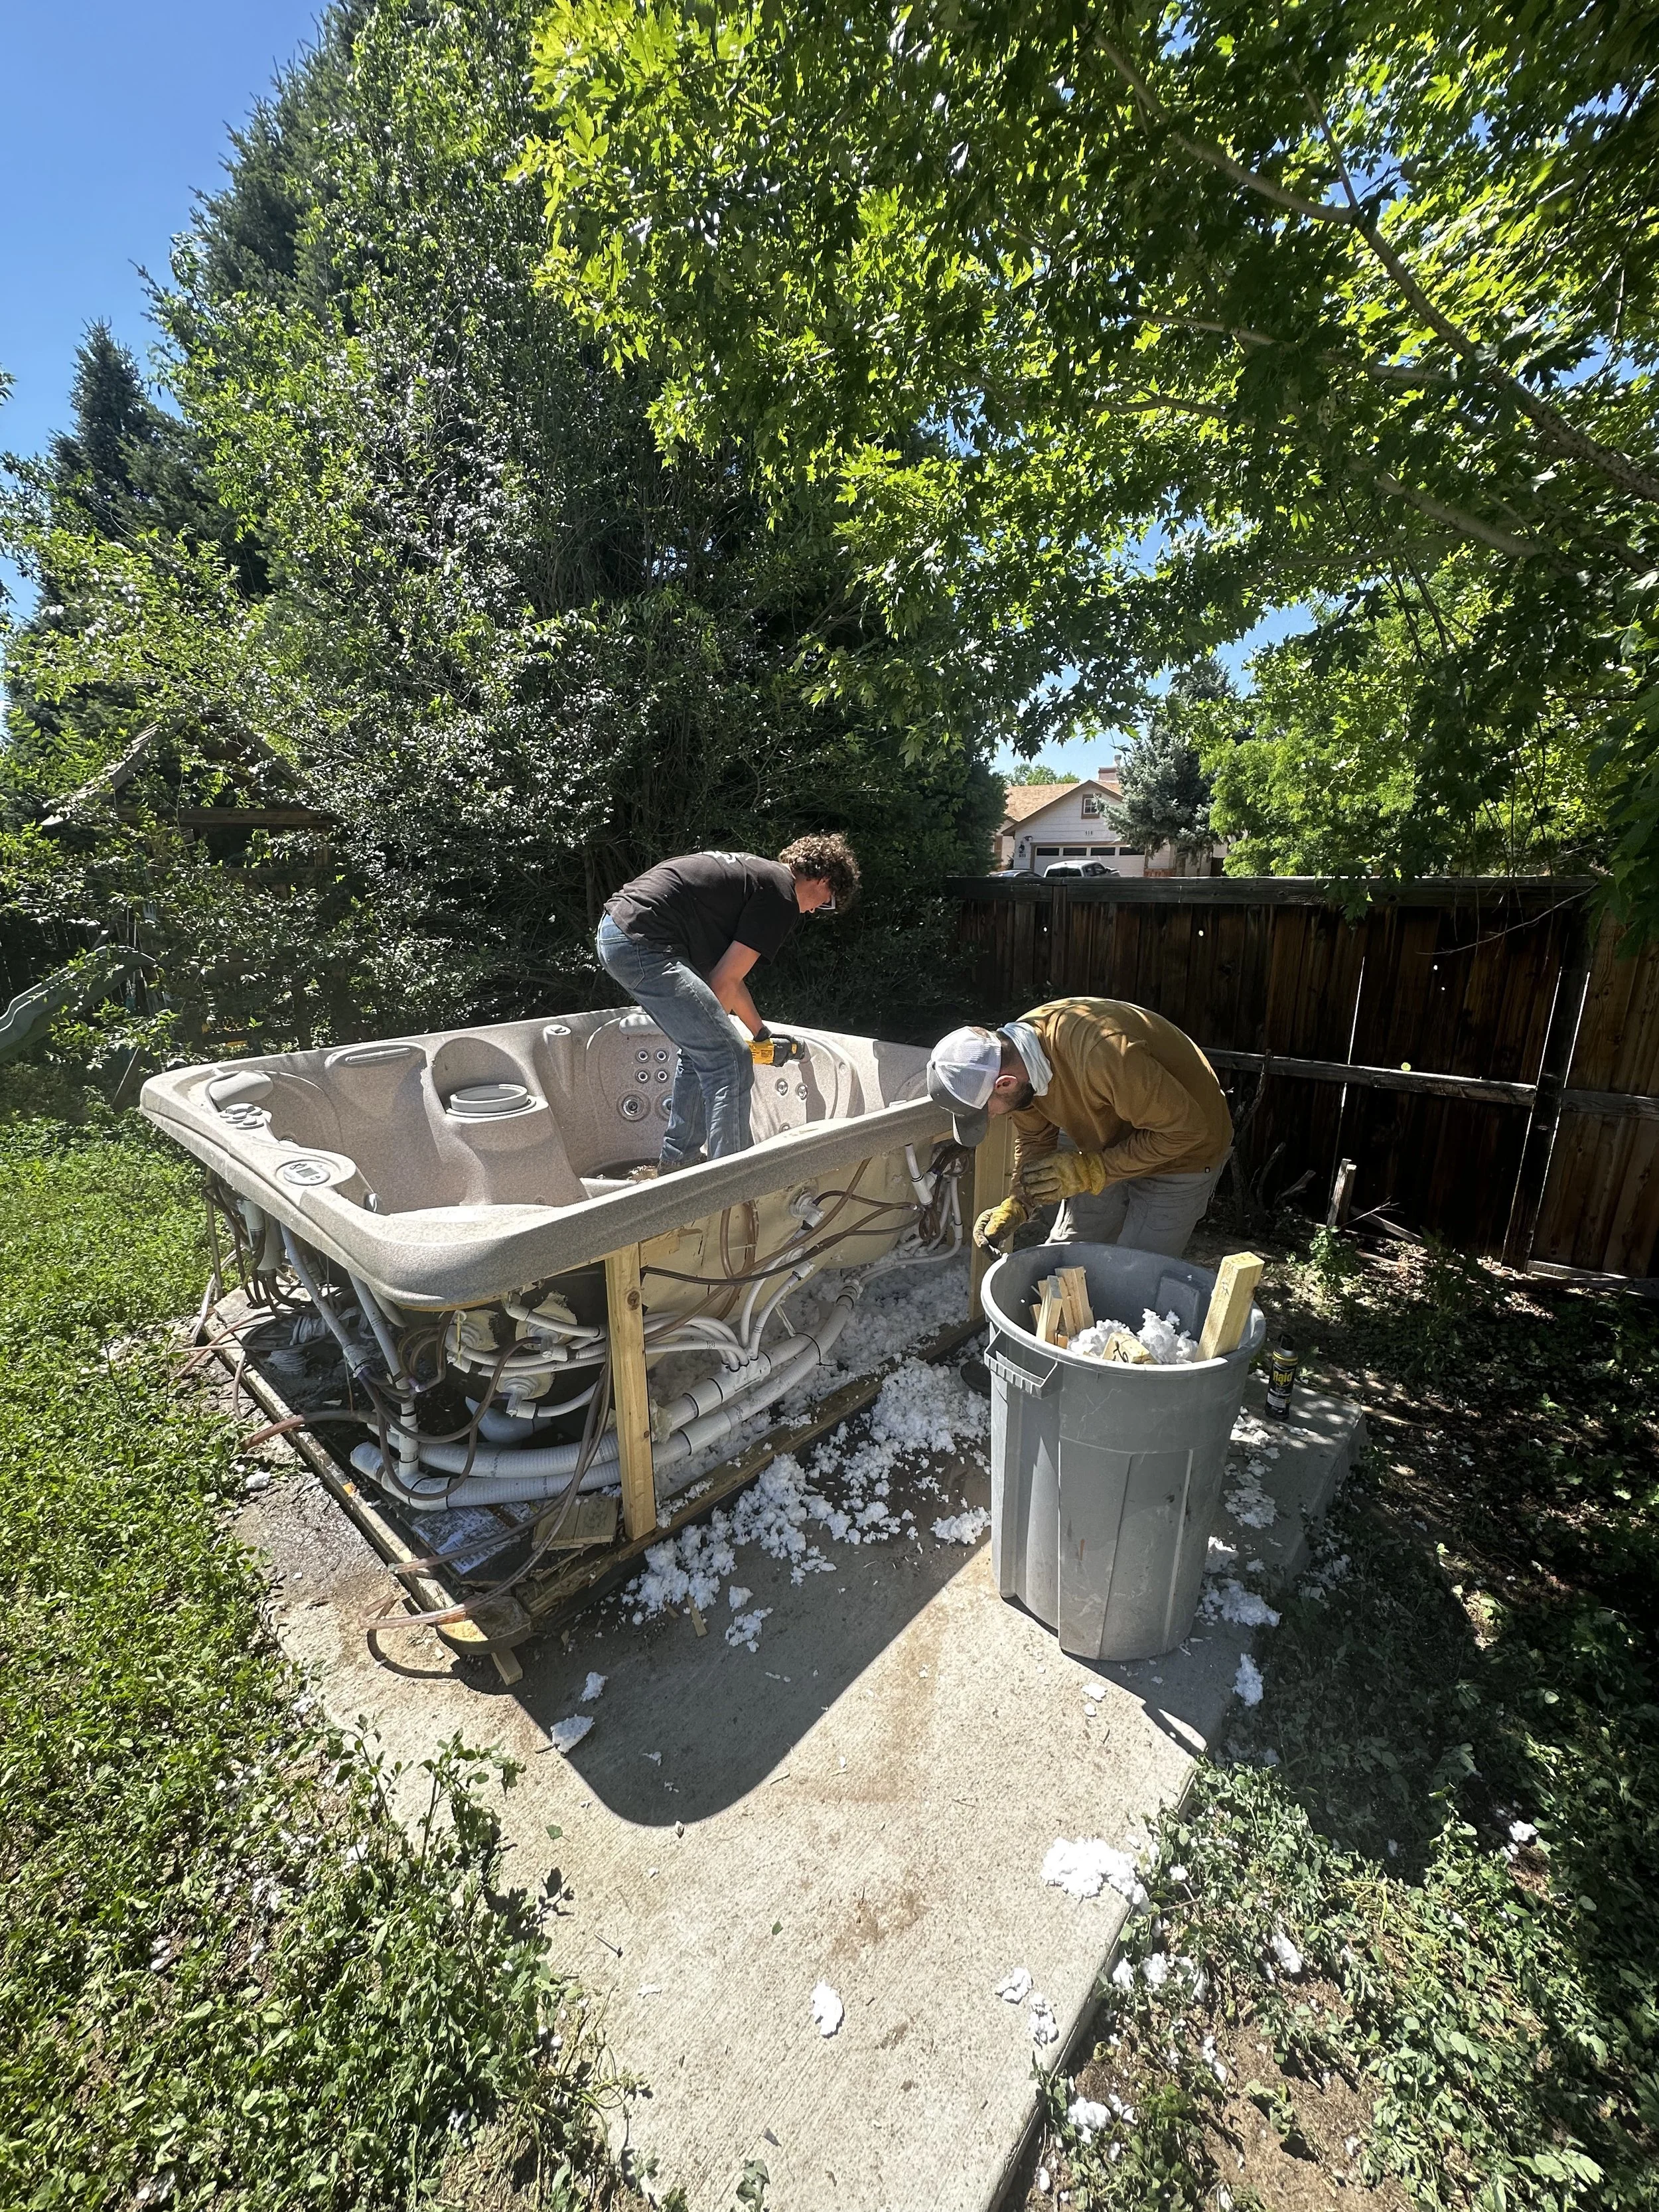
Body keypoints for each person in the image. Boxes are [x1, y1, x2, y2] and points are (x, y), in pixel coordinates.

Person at [597, 836, 860, 1168]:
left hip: (621, 933)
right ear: (824, 881)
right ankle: (732, 1184)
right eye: (826, 903)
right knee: (731, 1060)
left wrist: (760, 1033)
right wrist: (726, 1040)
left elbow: (726, 981)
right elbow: (723, 983)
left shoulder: (754, 879)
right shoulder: (781, 896)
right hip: (643, 943)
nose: (814, 911)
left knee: (703, 1053)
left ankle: (678, 1163)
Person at [926, 996, 1233, 1257]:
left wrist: (1093, 1171)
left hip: (1182, 1153)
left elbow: (1186, 1130)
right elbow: (1035, 1137)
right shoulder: (1016, 1061)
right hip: (1107, 1143)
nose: (991, 1118)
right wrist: (1020, 1201)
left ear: (1005, 1083)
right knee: (1068, 1255)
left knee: (1135, 1269)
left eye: (986, 1111)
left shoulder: (1103, 1053)